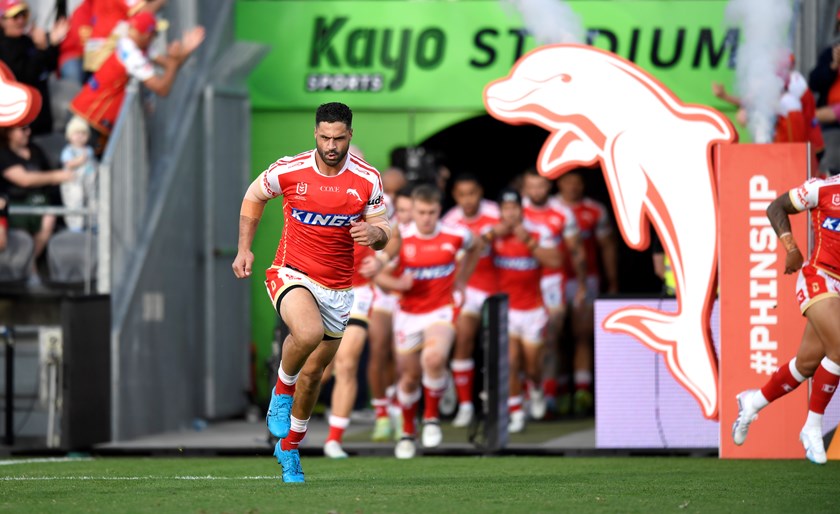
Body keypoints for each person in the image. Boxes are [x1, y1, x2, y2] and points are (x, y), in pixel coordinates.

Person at [232, 102, 390, 483]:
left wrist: (374, 234)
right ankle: (279, 393)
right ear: (315, 133)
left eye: (339, 138)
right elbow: (254, 195)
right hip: (291, 272)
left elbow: (383, 229)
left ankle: (289, 448)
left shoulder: (367, 179)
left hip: (338, 288)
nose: (331, 145)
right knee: (307, 333)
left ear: (350, 135)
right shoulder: (290, 169)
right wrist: (244, 248)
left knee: (314, 374)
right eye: (325, 137)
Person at [732, 174, 840, 464]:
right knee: (839, 349)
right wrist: (791, 248)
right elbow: (775, 207)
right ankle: (812, 427)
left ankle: (752, 403)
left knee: (805, 365)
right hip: (819, 277)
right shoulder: (823, 188)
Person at [375, 184, 479, 459]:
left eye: (431, 212)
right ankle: (408, 431)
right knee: (409, 379)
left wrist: (462, 280)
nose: (426, 218)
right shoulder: (401, 236)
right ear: (414, 210)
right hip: (408, 315)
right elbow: (380, 275)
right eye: (421, 212)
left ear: (439, 210)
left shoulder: (456, 234)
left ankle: (431, 418)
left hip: (441, 311)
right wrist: (398, 283)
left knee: (433, 358)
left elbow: (477, 246)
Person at [69, 10, 204, 153]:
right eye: (155, 34)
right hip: (89, 120)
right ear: (146, 35)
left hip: (93, 117)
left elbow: (168, 65)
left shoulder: (136, 44)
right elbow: (162, 88)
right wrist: (174, 59)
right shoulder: (132, 54)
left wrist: (184, 52)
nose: (155, 38)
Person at [487, 188, 560, 433]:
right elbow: (469, 253)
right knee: (510, 360)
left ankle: (536, 388)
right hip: (506, 309)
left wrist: (528, 240)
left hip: (533, 310)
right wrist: (489, 236)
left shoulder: (539, 231)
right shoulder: (492, 233)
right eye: (505, 209)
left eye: (514, 208)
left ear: (521, 210)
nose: (510, 214)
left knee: (532, 366)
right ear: (500, 212)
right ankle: (516, 411)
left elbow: (556, 261)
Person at [323, 233, 401, 459]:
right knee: (318, 370)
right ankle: (293, 427)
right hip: (320, 287)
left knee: (347, 363)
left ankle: (334, 440)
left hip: (358, 290)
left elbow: (395, 236)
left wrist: (381, 260)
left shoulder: (371, 209)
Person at [521, 168, 586, 419]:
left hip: (552, 282)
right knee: (522, 341)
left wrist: (582, 285)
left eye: (540, 186)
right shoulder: (517, 210)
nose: (536, 191)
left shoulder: (562, 212)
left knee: (550, 339)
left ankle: (547, 395)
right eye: (532, 186)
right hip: (522, 282)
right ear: (525, 187)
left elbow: (576, 251)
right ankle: (524, 394)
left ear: (549, 186)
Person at [555, 170, 618, 415]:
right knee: (556, 336)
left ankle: (582, 391)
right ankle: (559, 390)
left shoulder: (595, 210)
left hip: (587, 279)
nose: (572, 187)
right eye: (568, 182)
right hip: (554, 280)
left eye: (577, 182)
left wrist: (612, 280)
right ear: (559, 183)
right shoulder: (550, 209)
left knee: (582, 333)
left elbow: (607, 246)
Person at [440, 173, 499, 427]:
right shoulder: (450, 220)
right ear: (455, 196)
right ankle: (465, 406)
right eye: (462, 194)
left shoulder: (495, 211)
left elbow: (507, 233)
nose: (468, 199)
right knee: (464, 338)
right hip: (470, 287)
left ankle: (510, 403)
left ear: (480, 192)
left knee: (502, 346)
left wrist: (493, 234)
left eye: (472, 193)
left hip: (498, 285)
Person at [368, 185, 412, 442]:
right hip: (383, 297)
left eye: (410, 210)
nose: (406, 215)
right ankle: (381, 414)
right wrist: (396, 284)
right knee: (378, 351)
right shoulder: (383, 228)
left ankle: (399, 408)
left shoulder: (422, 232)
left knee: (403, 357)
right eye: (402, 209)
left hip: (410, 301)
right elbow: (376, 274)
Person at [0, 124, 73, 277]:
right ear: (9, 133)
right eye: (22, 129)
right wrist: (57, 176)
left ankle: (30, 265)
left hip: (38, 200)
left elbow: (46, 172)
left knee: (49, 217)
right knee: (21, 234)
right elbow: (23, 180)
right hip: (15, 203)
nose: (28, 132)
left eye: (28, 128)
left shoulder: (34, 149)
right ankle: (28, 269)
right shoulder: (3, 153)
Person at [0, 0, 69, 134]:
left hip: (40, 116)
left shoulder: (26, 40)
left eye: (23, 15)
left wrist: (52, 44)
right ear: (2, 21)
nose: (21, 20)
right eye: (15, 17)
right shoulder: (4, 47)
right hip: (21, 124)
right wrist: (42, 49)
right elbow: (24, 77)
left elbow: (48, 66)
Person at [59, 116, 96, 232]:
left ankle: (92, 224)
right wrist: (81, 160)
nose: (80, 136)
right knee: (75, 203)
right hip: (74, 182)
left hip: (89, 181)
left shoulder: (89, 150)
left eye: (83, 133)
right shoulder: (68, 151)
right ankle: (75, 228)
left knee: (93, 202)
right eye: (76, 133)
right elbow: (69, 164)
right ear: (69, 136)